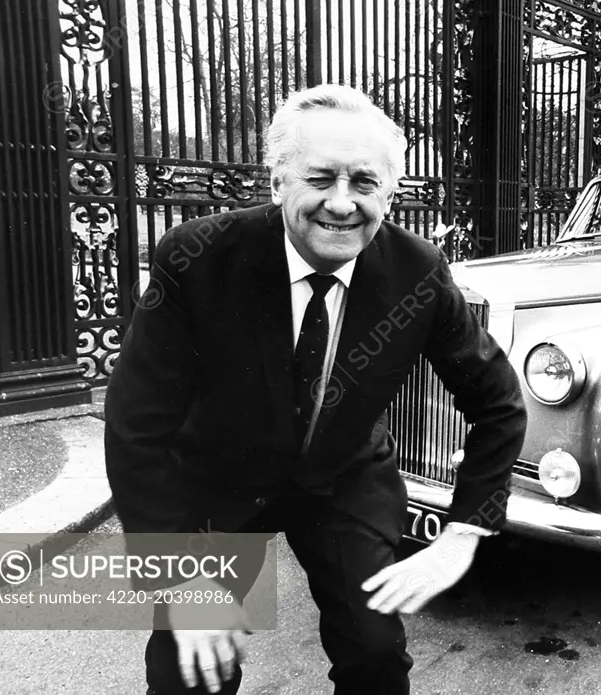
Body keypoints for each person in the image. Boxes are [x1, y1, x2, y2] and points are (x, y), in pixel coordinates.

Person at [104, 83, 527, 694]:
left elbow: (498, 402)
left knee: (376, 652)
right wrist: (181, 577)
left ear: (391, 192)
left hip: (341, 478)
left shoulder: (418, 271)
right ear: (277, 181)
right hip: (217, 479)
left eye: (364, 182)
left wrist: (465, 531)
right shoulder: (197, 258)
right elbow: (138, 424)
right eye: (320, 178)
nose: (342, 203)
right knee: (192, 666)